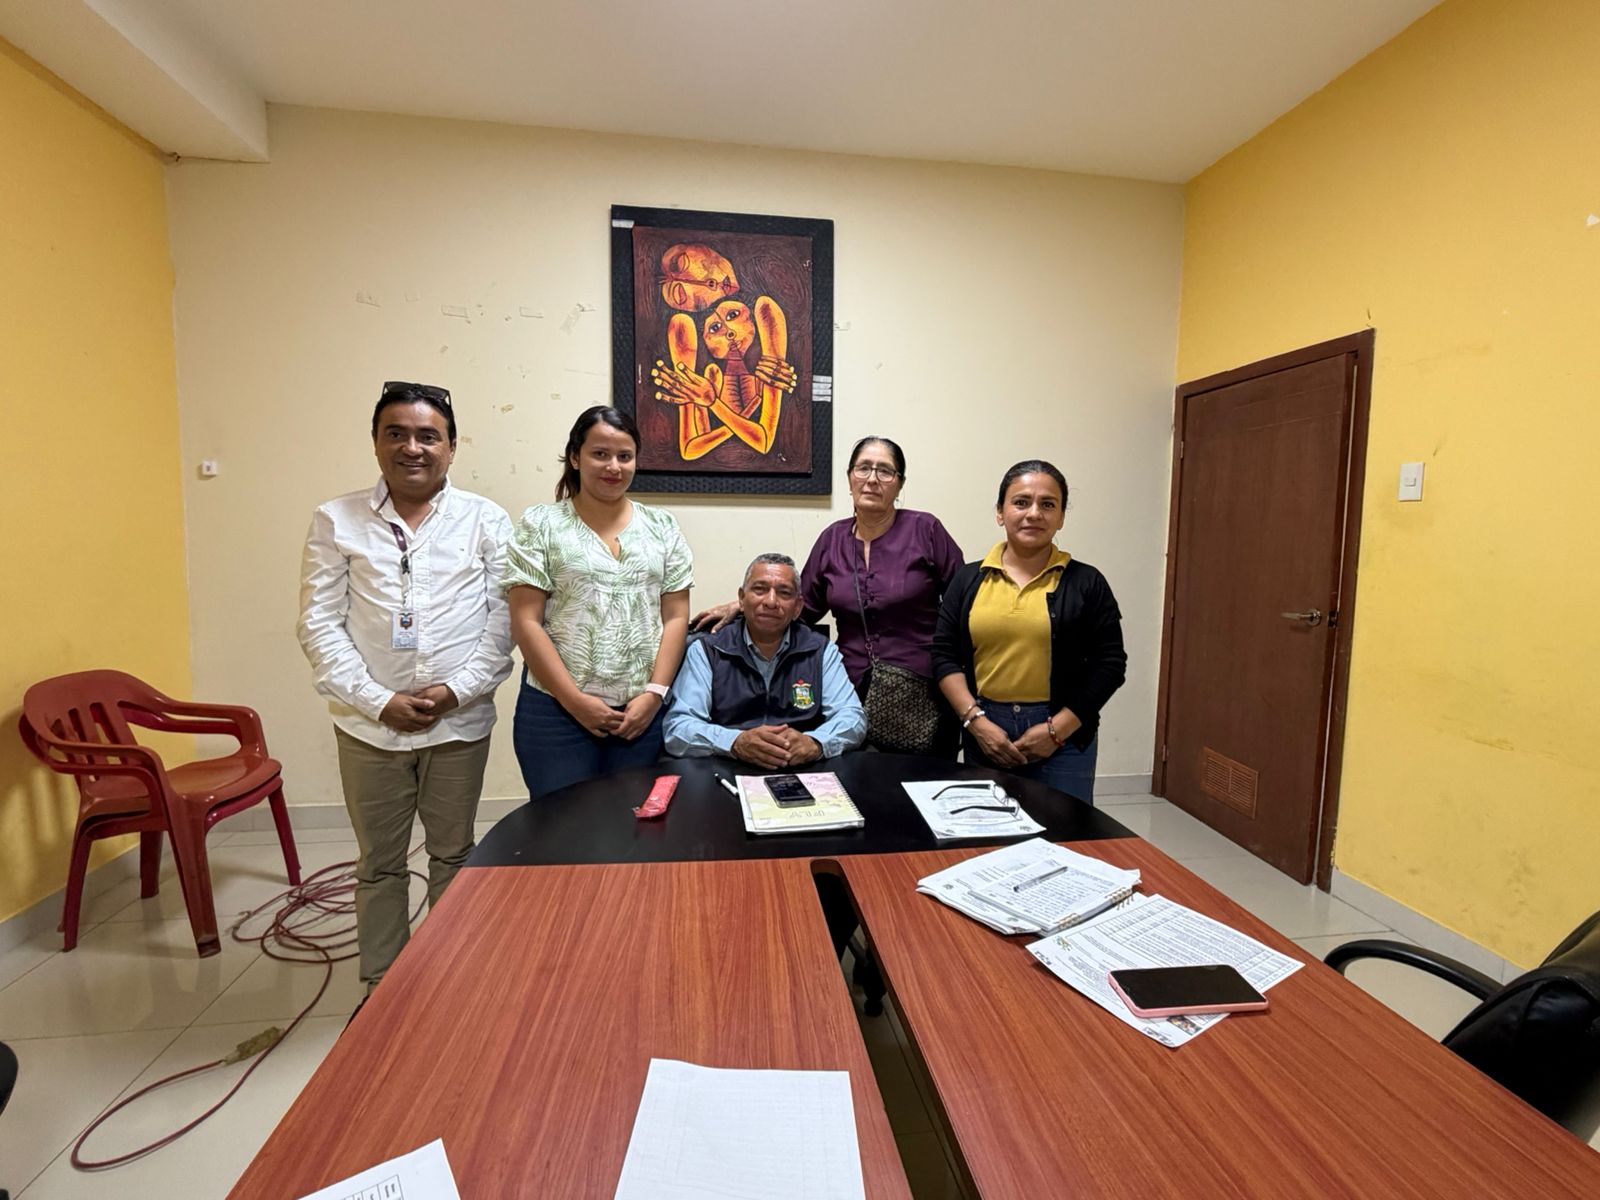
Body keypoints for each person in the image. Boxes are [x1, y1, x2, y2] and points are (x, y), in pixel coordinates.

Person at [298, 380, 513, 990]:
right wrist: (379, 701)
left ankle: (449, 986)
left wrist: (455, 691)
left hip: (458, 724)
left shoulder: (485, 519)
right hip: (367, 728)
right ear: (375, 442)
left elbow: (505, 621)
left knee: (455, 855)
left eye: (428, 436)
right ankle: (382, 989)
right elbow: (318, 623)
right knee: (379, 864)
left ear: (452, 447)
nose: (412, 447)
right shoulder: (336, 519)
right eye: (396, 434)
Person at [691, 436, 963, 756]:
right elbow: (800, 606)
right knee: (857, 779)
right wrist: (744, 605)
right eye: (863, 468)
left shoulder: (925, 530)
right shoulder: (832, 539)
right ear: (850, 478)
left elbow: (962, 606)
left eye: (885, 471)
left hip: (924, 692)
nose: (872, 479)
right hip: (851, 691)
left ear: (900, 483)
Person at [503, 407, 692, 797]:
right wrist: (574, 701)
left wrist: (654, 694)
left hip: (641, 714)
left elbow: (676, 617)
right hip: (556, 712)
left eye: (625, 456)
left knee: (636, 823)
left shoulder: (662, 527)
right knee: (562, 824)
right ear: (575, 457)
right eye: (600, 454)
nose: (614, 467)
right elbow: (526, 621)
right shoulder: (541, 524)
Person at [932, 460, 1126, 804]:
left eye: (1047, 504)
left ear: (1061, 517)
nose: (1034, 513)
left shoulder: (1087, 582)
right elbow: (944, 656)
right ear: (1000, 512)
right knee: (987, 828)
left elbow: (1110, 664)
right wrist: (976, 722)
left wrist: (1057, 730)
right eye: (1021, 502)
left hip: (1065, 739)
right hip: (986, 731)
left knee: (1066, 831)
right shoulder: (968, 580)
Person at [665, 553, 866, 765]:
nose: (771, 601)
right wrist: (735, 742)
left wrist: (815, 743)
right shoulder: (707, 650)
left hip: (801, 767)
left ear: (798, 607)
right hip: (727, 767)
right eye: (760, 589)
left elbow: (853, 717)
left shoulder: (821, 650)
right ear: (741, 598)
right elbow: (678, 727)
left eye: (784, 592)